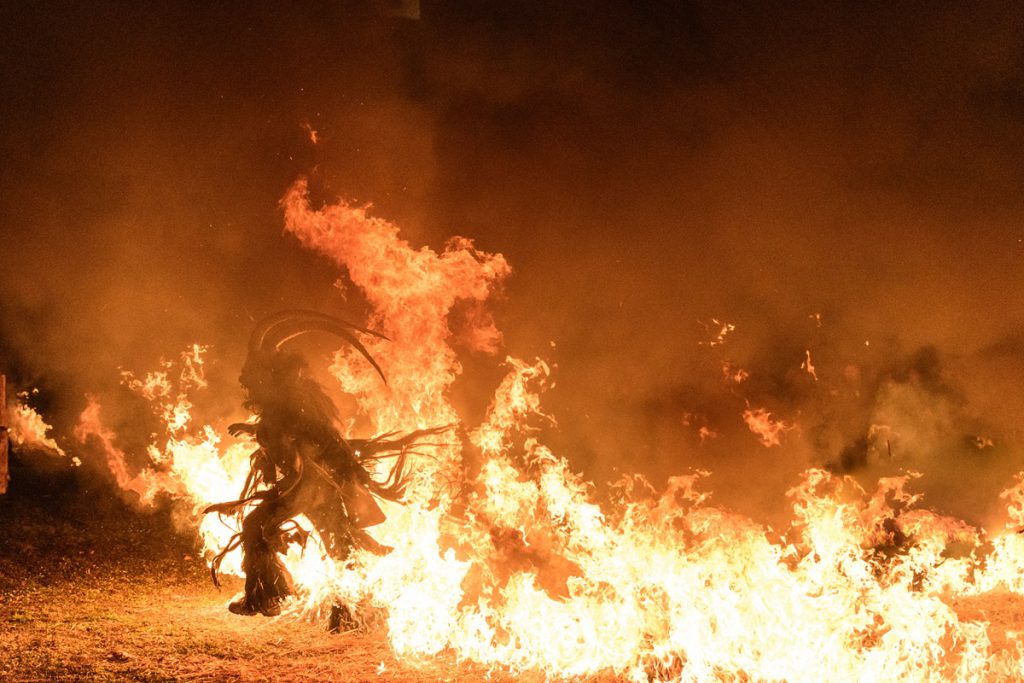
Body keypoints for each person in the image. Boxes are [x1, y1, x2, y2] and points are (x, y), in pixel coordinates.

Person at [205, 310, 443, 617]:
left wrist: (286, 484)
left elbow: (302, 441)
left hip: (305, 486)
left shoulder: (290, 402)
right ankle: (352, 610)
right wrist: (253, 429)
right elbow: (297, 432)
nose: (244, 379)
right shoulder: (293, 400)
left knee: (254, 526)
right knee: (339, 546)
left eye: (253, 373)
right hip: (321, 487)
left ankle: (265, 597)